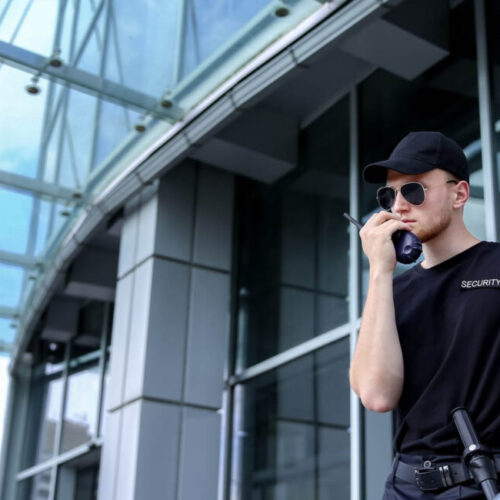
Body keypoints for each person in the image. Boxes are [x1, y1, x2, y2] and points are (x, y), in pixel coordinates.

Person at [349, 131, 500, 499]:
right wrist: (380, 271)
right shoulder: (392, 292)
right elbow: (376, 395)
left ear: (459, 194)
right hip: (408, 486)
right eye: (389, 196)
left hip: (487, 480)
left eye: (414, 190)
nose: (399, 206)